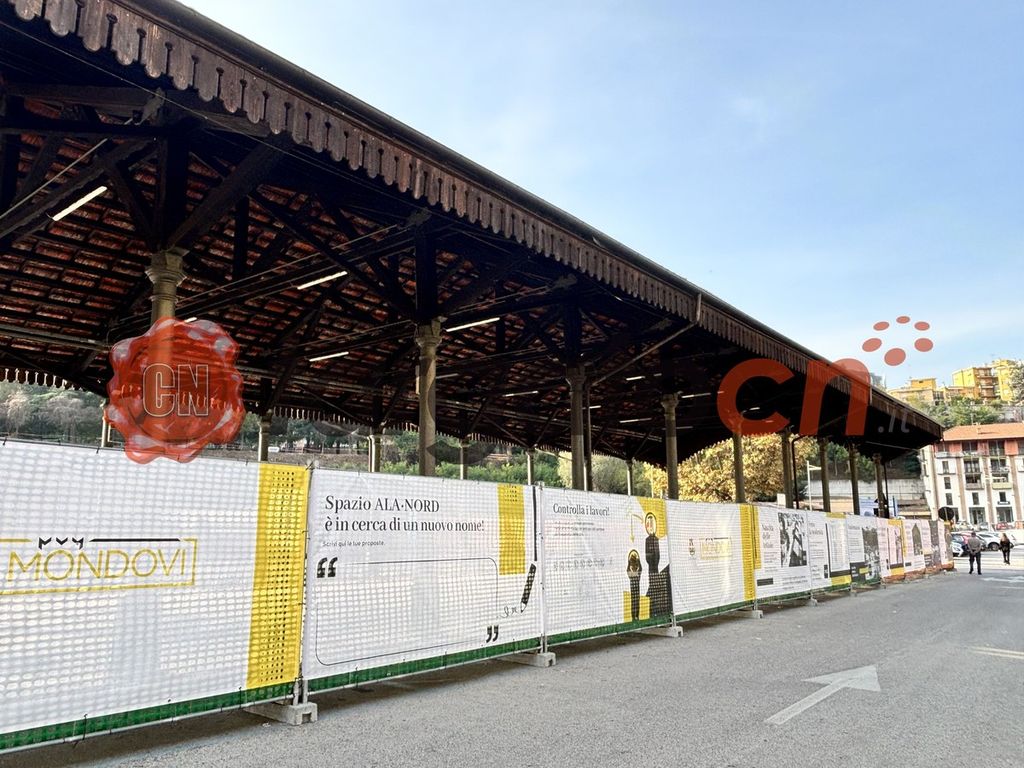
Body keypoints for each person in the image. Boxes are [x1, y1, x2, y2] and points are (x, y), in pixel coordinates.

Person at [626, 550, 642, 621]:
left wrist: (638, 561)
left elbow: (640, 569)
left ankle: (636, 616)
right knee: (634, 601)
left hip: (636, 585)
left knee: (636, 600)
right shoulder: (631, 567)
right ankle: (633, 617)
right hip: (633, 585)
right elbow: (628, 571)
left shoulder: (637, 567)